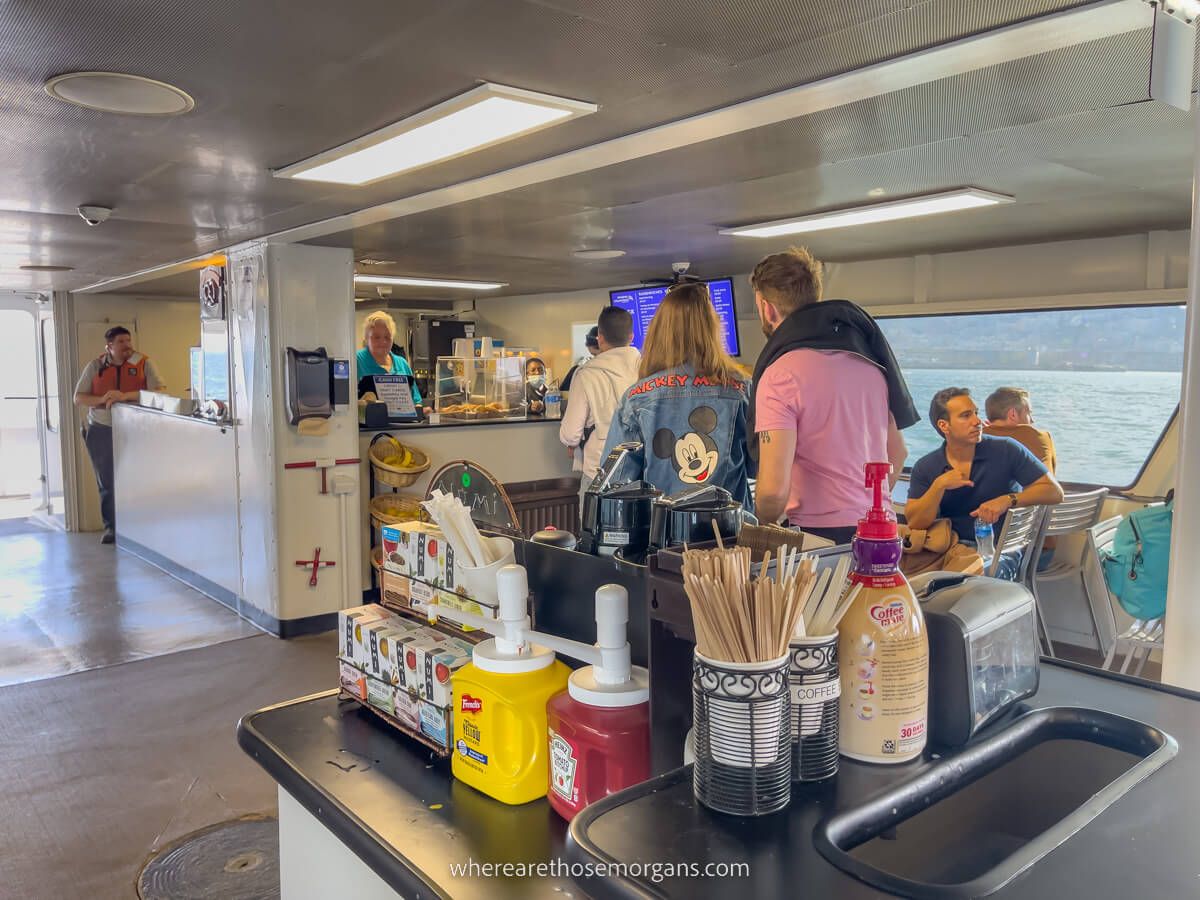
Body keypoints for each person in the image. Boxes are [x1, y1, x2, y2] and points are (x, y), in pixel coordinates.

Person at [748, 247, 915, 544]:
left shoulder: (780, 375)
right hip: (880, 530)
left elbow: (773, 491)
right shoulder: (871, 366)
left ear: (766, 307)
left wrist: (760, 526)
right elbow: (897, 454)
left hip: (817, 536)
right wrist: (864, 507)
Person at [600, 283, 753, 505]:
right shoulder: (741, 389)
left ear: (660, 332)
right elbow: (760, 467)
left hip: (663, 531)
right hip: (730, 531)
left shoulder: (637, 397)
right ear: (713, 331)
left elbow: (617, 482)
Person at [906, 387, 1064, 579]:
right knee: (909, 580)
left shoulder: (1006, 449)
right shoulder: (926, 466)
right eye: (966, 416)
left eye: (976, 413)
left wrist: (1008, 500)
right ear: (944, 426)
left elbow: (1054, 492)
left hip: (999, 552)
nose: (977, 421)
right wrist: (938, 486)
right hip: (948, 550)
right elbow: (916, 522)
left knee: (971, 582)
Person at [73, 326, 165, 544]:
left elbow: (159, 392)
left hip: (136, 428)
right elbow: (78, 398)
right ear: (109, 347)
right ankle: (112, 528)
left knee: (139, 476)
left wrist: (124, 396)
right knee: (107, 481)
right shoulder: (95, 366)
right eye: (121, 342)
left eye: (128, 341)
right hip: (101, 429)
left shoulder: (143, 363)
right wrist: (104, 399)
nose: (127, 346)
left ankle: (141, 526)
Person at [559, 306, 641, 501]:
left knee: (593, 529)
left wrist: (571, 443)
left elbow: (571, 434)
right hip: (639, 469)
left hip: (599, 469)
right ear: (631, 336)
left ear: (600, 337)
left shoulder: (586, 374)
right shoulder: (648, 369)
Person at [356, 311, 422, 409]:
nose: (383, 342)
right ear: (366, 338)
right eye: (376, 337)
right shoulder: (356, 360)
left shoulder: (402, 364)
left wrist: (422, 410)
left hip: (403, 423)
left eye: (387, 337)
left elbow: (416, 401)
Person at [983, 386, 1057, 472]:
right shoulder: (1041, 437)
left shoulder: (976, 439)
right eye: (1029, 413)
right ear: (1013, 414)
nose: (1032, 420)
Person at [560, 326, 599, 393]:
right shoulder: (578, 370)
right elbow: (563, 394)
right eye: (592, 355)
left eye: (596, 355)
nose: (594, 359)